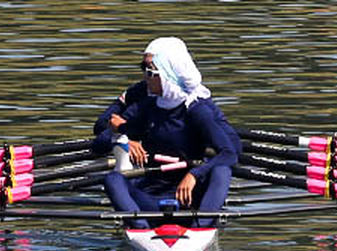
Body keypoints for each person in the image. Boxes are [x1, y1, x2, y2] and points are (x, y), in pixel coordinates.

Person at [91, 38, 239, 228]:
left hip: (189, 200)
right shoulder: (149, 107)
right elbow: (98, 144)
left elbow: (230, 152)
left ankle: (201, 226)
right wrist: (120, 134)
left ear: (169, 75)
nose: (145, 77)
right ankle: (140, 228)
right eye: (144, 70)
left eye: (151, 72)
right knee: (112, 179)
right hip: (150, 199)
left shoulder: (198, 110)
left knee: (222, 170)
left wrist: (195, 174)